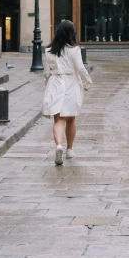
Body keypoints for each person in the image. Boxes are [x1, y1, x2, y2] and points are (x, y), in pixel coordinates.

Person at [42, 20, 92, 166]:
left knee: (58, 120)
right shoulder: (74, 50)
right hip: (71, 83)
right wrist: (87, 82)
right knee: (70, 119)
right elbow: (80, 68)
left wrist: (49, 84)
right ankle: (69, 149)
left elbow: (46, 72)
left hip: (55, 82)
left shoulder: (49, 50)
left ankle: (58, 146)